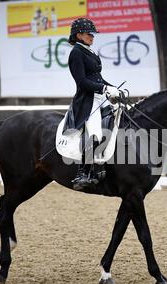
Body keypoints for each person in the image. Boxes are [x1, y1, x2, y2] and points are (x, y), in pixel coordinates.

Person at [66, 18, 122, 190]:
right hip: (87, 100)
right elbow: (82, 82)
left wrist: (112, 88)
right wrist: (104, 87)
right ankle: (83, 173)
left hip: (99, 97)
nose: (92, 36)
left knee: (119, 118)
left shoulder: (89, 51)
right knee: (96, 133)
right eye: (89, 34)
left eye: (92, 34)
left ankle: (102, 166)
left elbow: (97, 77)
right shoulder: (76, 53)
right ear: (79, 35)